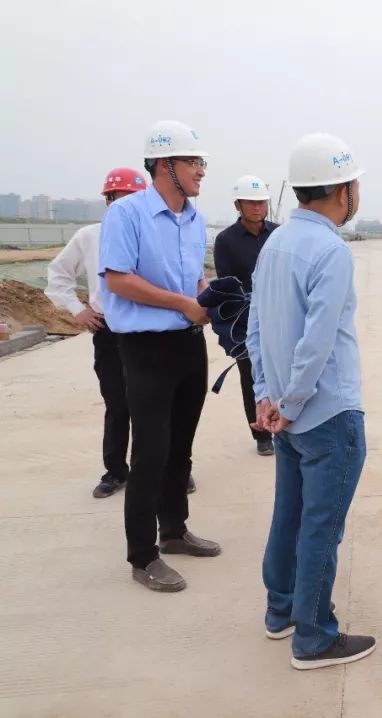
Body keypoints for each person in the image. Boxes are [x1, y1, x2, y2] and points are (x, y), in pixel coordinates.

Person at [248, 133, 375, 670]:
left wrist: (266, 396)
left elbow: (255, 328)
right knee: (321, 527)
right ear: (343, 190)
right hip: (326, 414)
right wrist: (293, 402)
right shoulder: (330, 251)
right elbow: (318, 343)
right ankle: (315, 636)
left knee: (289, 517)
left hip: (286, 414)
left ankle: (280, 612)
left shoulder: (275, 244)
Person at [98, 120, 220, 592]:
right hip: (146, 348)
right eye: (193, 162)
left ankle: (173, 530)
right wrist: (182, 303)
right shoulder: (126, 214)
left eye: (201, 162)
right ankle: (142, 556)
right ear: (165, 165)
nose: (201, 171)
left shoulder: (194, 219)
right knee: (150, 451)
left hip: (189, 343)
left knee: (180, 447)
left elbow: (192, 279)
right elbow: (117, 279)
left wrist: (209, 297)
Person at [46, 168, 146, 498]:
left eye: (135, 200)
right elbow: (58, 274)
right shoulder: (90, 237)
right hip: (110, 330)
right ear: (108, 201)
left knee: (156, 404)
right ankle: (115, 471)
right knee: (117, 403)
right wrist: (78, 310)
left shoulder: (154, 235)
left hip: (149, 329)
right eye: (120, 199)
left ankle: (165, 468)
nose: (127, 207)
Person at [213, 175, 278, 456]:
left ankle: (284, 424)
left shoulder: (279, 234)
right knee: (251, 375)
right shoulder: (225, 240)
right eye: (251, 202)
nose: (257, 207)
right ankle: (261, 434)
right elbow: (226, 284)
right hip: (245, 318)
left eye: (261, 202)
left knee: (282, 371)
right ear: (238, 205)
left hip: (279, 314)